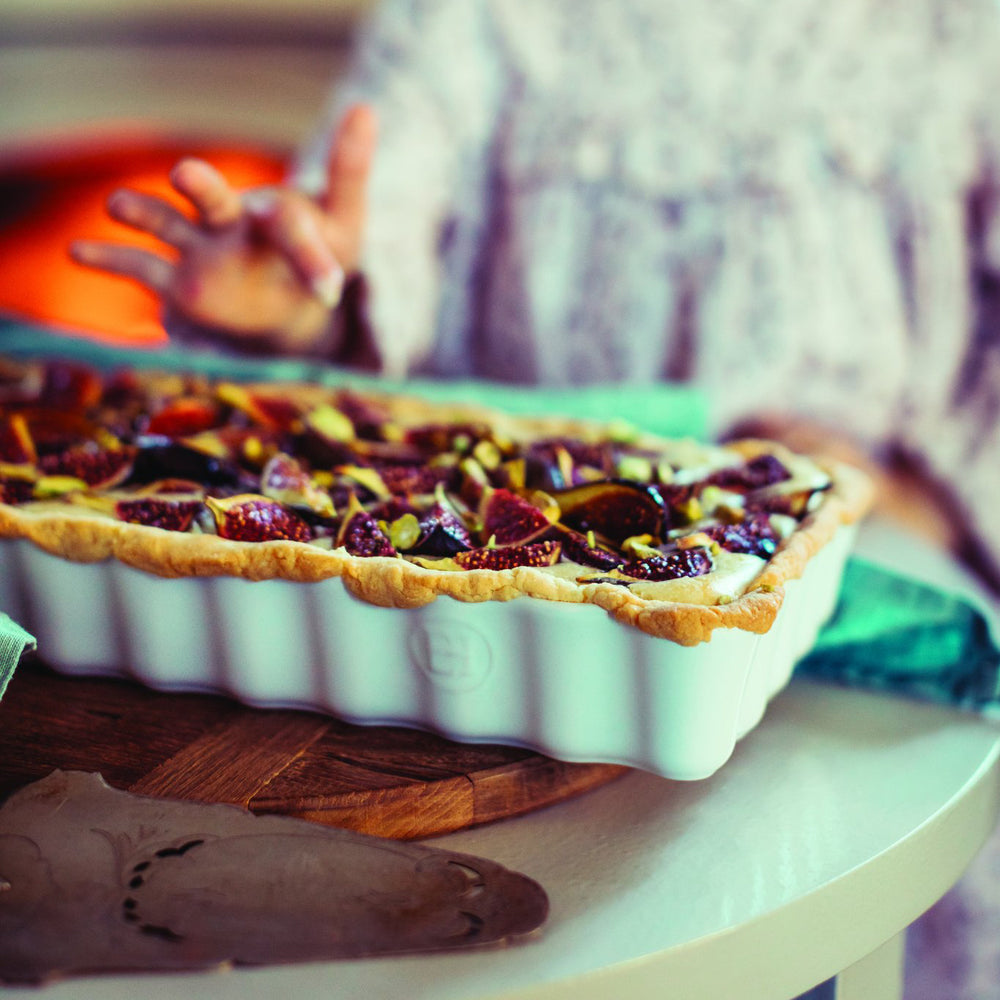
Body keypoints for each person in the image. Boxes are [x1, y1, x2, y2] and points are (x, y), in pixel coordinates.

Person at [69, 3, 1000, 991]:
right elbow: (363, 235)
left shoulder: (959, 31)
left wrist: (925, 497)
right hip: (489, 676)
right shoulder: (476, 18)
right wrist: (305, 302)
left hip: (874, 648)